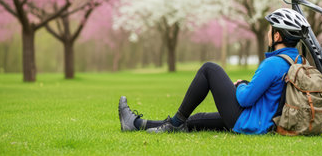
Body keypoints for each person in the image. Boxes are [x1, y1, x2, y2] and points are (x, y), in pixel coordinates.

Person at [118, 8, 310, 134]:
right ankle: (135, 124)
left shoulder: (273, 64)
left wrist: (242, 85)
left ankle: (175, 123)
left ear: (277, 35)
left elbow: (244, 99)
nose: (268, 33)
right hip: (268, 123)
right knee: (194, 120)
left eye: (270, 30)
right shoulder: (298, 61)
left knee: (210, 69)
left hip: (251, 123)